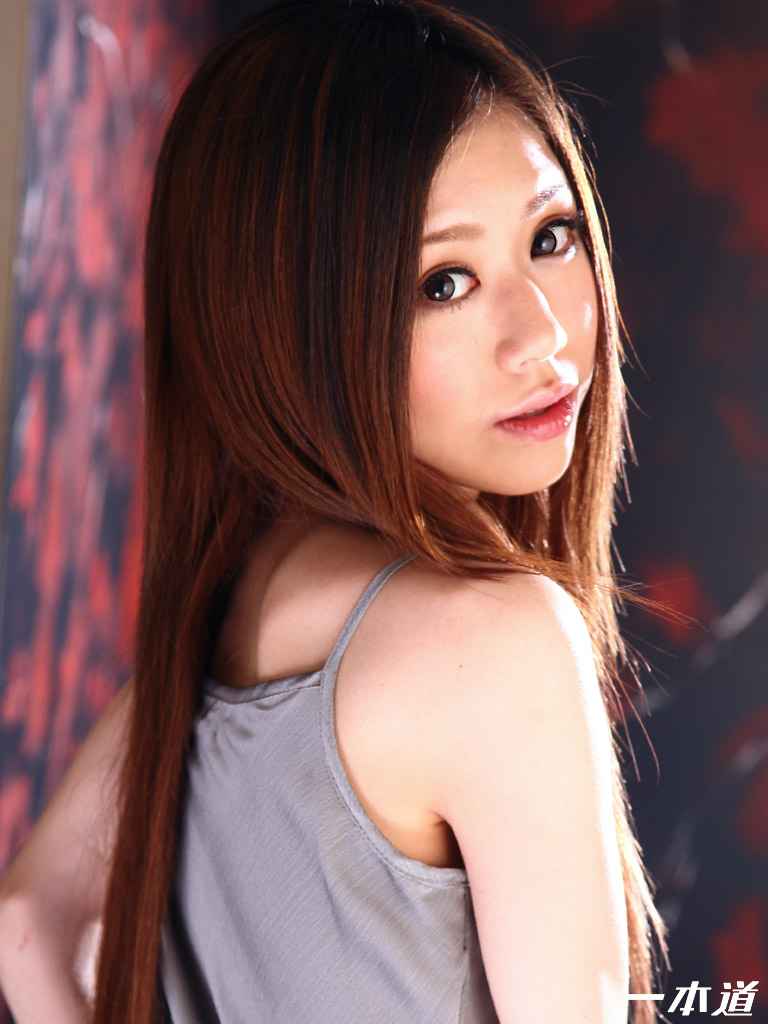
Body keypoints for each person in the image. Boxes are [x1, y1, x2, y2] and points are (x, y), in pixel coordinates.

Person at [0, 0, 684, 1020]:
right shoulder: (496, 640)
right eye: (444, 282)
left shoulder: (235, 599)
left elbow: (28, 923)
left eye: (552, 236)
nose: (542, 334)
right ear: (295, 323)